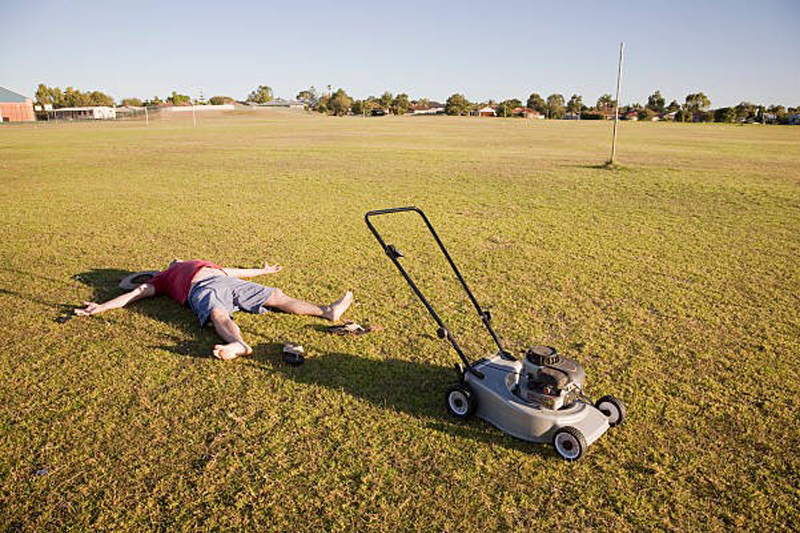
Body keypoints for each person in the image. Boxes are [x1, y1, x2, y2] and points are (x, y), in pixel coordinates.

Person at [75, 259, 353, 360]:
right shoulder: (163, 278)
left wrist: (264, 270)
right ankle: (238, 344)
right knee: (218, 315)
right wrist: (100, 307)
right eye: (171, 261)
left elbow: (236, 271)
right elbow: (134, 293)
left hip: (226, 280)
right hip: (202, 291)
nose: (175, 258)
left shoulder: (202, 263)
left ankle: (327, 311)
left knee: (276, 295)